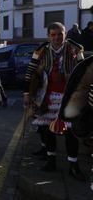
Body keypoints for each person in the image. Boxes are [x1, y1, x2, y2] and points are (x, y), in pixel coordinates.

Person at [23, 22, 86, 181]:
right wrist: (26, 94)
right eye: (53, 34)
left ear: (65, 34)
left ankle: (73, 165)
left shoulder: (75, 49)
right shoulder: (41, 51)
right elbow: (30, 71)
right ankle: (51, 160)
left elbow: (84, 72)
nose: (57, 37)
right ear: (48, 36)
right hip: (46, 96)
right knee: (47, 129)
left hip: (69, 97)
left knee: (70, 132)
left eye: (60, 34)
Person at [59, 55, 93, 191]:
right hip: (79, 106)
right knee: (71, 132)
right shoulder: (85, 65)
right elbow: (74, 88)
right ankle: (72, 165)